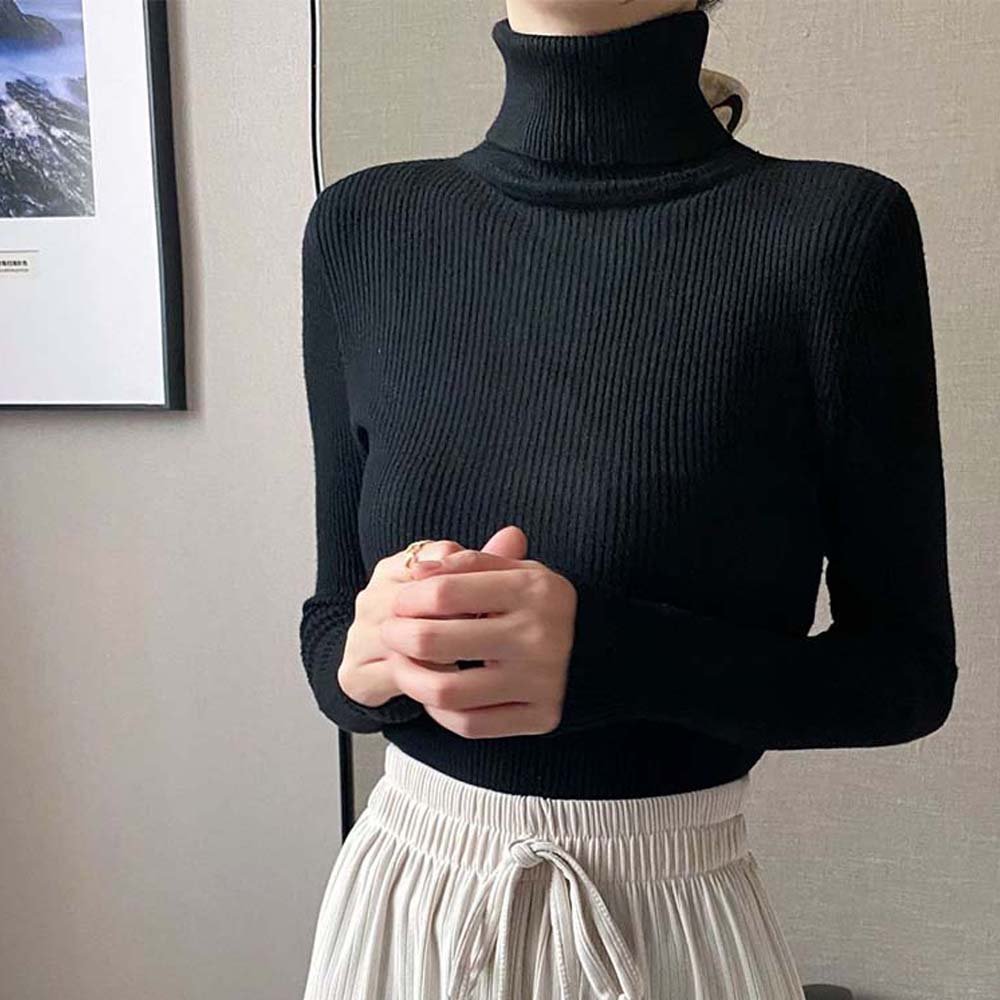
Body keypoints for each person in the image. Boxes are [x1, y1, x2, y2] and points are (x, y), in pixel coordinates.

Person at [296, 0, 958, 997]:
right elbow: (327, 627)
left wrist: (606, 657)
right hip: (401, 910)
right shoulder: (361, 227)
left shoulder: (834, 234)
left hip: (663, 927)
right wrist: (367, 656)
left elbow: (905, 677)